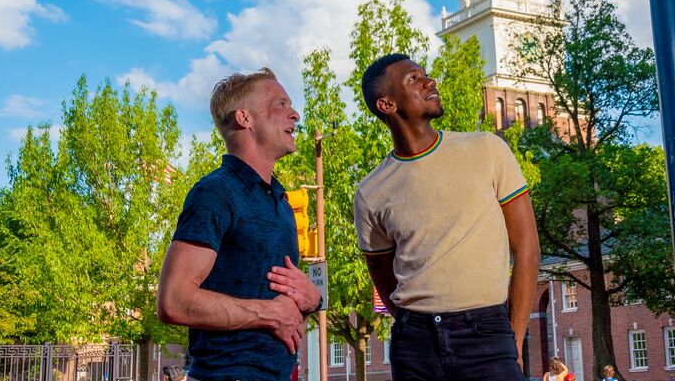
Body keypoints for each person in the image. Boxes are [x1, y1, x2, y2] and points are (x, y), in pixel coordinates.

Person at [354, 54, 541, 381]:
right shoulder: (371, 191)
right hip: (414, 344)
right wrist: (412, 323)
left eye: (425, 75)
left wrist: (514, 336)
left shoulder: (487, 149)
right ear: (386, 105)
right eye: (413, 79)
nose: (430, 82)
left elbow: (527, 248)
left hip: (488, 333)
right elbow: (380, 271)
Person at [156, 69, 322, 381]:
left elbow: (286, 303)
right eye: (281, 104)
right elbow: (173, 301)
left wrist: (312, 299)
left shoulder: (282, 203)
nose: (295, 114)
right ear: (244, 118)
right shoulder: (216, 193)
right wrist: (270, 314)